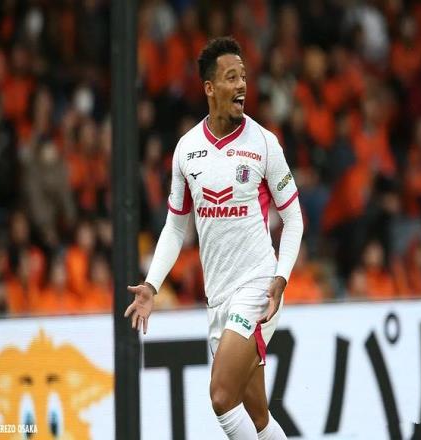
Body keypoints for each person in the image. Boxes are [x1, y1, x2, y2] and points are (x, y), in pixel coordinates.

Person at [124, 37, 303, 440]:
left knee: (221, 396)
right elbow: (175, 226)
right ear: (209, 87)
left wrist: (281, 278)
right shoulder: (187, 150)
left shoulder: (264, 143)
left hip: (257, 286)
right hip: (218, 296)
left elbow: (294, 219)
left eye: (244, 77)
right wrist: (152, 284)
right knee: (257, 417)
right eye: (231, 77)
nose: (242, 85)